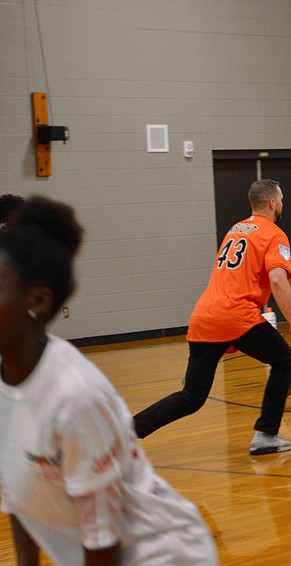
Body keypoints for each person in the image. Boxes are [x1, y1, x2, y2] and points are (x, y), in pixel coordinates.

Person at [0, 196, 218, 565]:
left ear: (36, 301)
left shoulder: (75, 398)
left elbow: (103, 538)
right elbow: (17, 495)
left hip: (164, 555)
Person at [134, 179, 291, 456]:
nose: (282, 204)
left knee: (192, 396)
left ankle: (126, 431)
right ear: (273, 203)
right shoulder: (275, 234)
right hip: (236, 316)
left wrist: (287, 282)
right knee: (285, 360)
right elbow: (275, 280)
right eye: (282, 200)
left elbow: (250, 275)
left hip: (205, 315)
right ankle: (266, 434)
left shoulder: (236, 229)